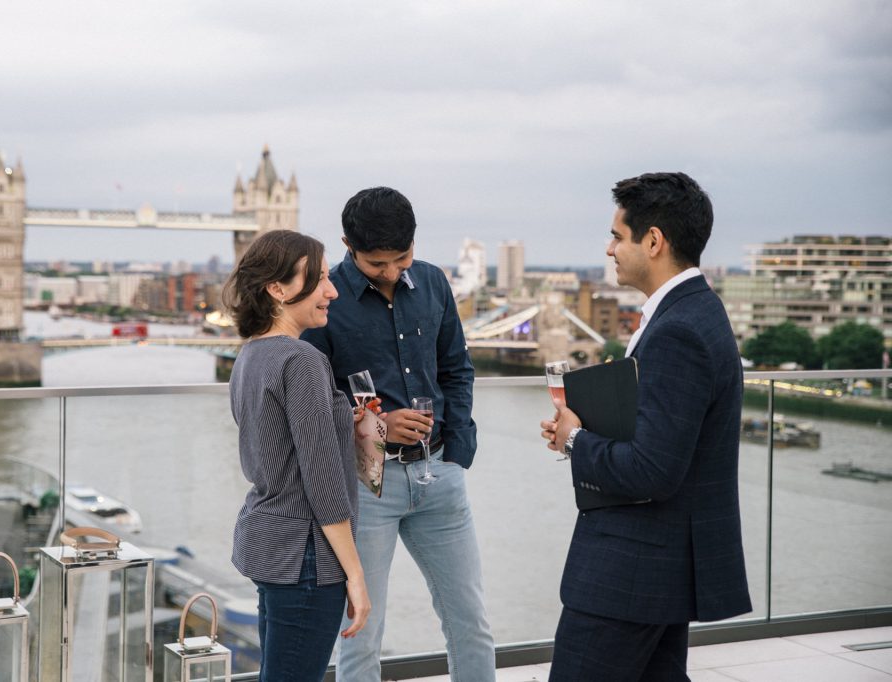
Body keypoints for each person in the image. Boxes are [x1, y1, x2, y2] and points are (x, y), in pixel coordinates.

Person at [541, 172, 752, 681]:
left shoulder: (676, 330)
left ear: (653, 241)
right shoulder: (696, 311)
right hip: (663, 568)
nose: (610, 249)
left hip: (630, 574)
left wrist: (575, 439)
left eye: (618, 236)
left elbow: (653, 470)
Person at [303, 187, 496, 682]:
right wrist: (378, 425)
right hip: (367, 485)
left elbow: (458, 369)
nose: (391, 272)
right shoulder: (325, 299)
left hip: (440, 473)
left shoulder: (432, 282)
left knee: (470, 622)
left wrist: (457, 450)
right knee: (362, 632)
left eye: (401, 258)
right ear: (347, 245)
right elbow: (311, 400)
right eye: (376, 263)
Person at [223, 229, 370, 682]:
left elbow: (276, 445)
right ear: (278, 289)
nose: (332, 291)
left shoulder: (251, 356)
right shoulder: (301, 360)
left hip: (269, 543)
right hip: (306, 555)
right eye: (320, 278)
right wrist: (356, 575)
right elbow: (323, 487)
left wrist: (346, 421)